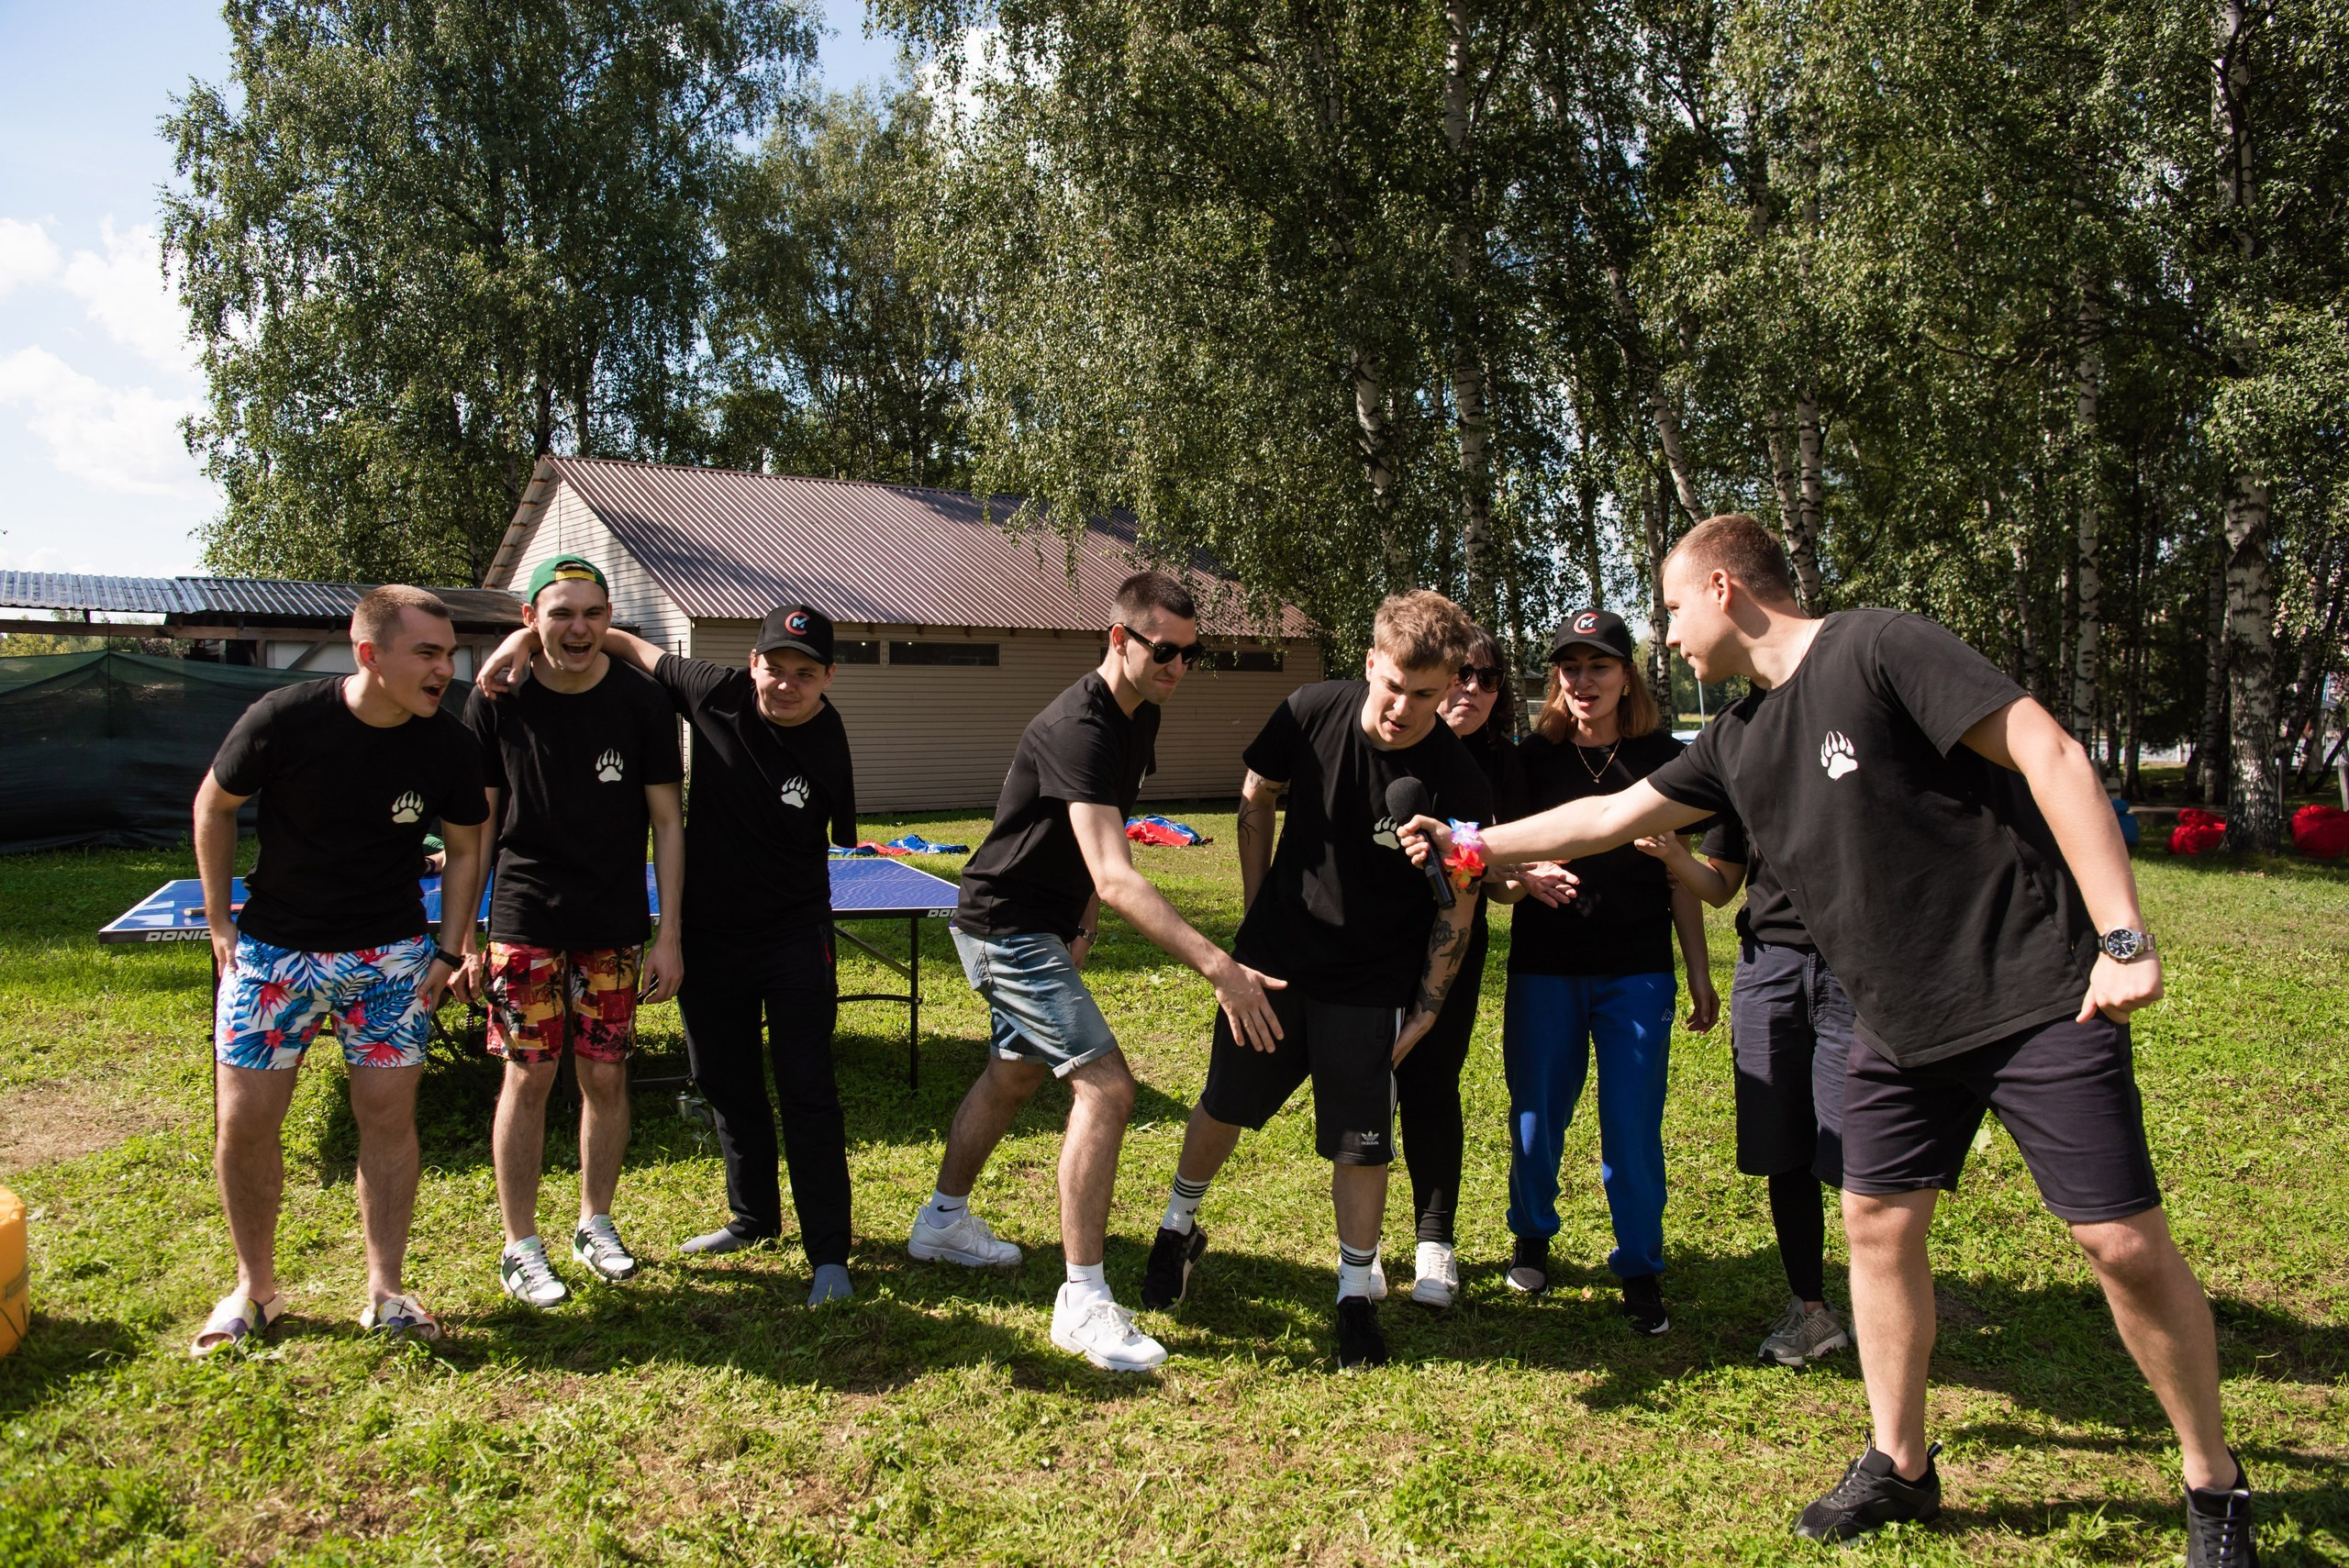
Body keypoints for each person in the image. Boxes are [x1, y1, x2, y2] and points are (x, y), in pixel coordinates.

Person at [1397, 515, 2252, 1564]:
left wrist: (2121, 933)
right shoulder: (1739, 736)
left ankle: (2213, 1480)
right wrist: (1475, 841)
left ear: (1723, 588)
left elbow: (2048, 747)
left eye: (1669, 610)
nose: (1664, 637)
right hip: (1896, 1016)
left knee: (2117, 1240)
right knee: (1877, 1230)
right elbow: (1607, 817)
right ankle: (1900, 1461)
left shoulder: (1881, 646)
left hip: (2033, 989)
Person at [908, 571, 1288, 1373]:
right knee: (1108, 1087)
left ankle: (942, 1221)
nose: (1178, 667)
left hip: (1040, 926)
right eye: (1164, 650)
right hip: (1003, 928)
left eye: (1192, 654)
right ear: (1119, 639)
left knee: (1013, 1076)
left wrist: (1077, 922)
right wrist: (1221, 967)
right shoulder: (1079, 725)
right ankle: (1082, 1299)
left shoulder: (1138, 717)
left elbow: (1092, 850)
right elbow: (1117, 875)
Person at [1140, 590, 1491, 1371]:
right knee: (1224, 1104)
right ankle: (1176, 1228)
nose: (1403, 707)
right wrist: (1256, 904)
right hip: (1276, 968)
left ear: (1450, 688)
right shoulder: (1307, 710)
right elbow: (1254, 795)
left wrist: (1427, 1011)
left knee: (1361, 1147)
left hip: (1372, 985)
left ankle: (1353, 1294)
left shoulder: (1456, 779)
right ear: (1370, 663)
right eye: (1393, 684)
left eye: (1426, 694)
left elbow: (1460, 907)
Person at [479, 600, 860, 1307]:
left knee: (808, 1090)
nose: (786, 684)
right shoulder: (712, 690)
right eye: (774, 667)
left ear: (828, 677)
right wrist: (521, 642)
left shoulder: (830, 742)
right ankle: (752, 1217)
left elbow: (836, 842)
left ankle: (828, 1252)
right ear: (754, 664)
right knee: (724, 1080)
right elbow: (616, 640)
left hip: (793, 938)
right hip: (709, 938)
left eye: (805, 673)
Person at [191, 585, 489, 1351]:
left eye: (448, 653)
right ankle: (254, 1289)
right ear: (370, 653)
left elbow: (466, 849)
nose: (443, 668)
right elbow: (213, 805)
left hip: (388, 959)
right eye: (426, 652)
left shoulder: (449, 745)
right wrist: (222, 921)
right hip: (274, 953)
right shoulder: (285, 719)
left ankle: (386, 1290)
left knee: (387, 1120)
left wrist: (449, 948)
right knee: (245, 1121)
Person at [461, 555, 685, 1309]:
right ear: (531, 620)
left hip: (615, 920)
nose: (577, 627)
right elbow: (478, 826)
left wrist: (669, 931)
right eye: (560, 613)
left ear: (610, 617)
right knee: (528, 1075)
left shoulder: (642, 702)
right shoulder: (496, 699)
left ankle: (596, 1221)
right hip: (524, 914)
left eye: (592, 612)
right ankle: (520, 1244)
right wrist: (462, 935)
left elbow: (666, 822)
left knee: (606, 1073)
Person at [1497, 609, 1717, 1335]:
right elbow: (1497, 859)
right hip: (1545, 967)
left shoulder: (1666, 756)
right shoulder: (1533, 756)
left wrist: (1700, 973)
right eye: (1571, 666)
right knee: (1537, 1117)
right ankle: (1532, 1237)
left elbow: (1684, 879)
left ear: (1628, 674)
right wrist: (1525, 871)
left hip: (1637, 972)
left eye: (1599, 666)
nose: (1583, 680)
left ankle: (1641, 1268)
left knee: (1631, 1126)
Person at [1641, 815, 1854, 1366]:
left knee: (1864, 1149)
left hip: (1862, 963)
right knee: (1784, 1147)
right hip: (1771, 966)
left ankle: (1889, 1301)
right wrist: (1676, 857)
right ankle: (1812, 1310)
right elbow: (1720, 887)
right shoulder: (1751, 760)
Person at [1393, 626, 1563, 1308]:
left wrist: (1520, 877)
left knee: (1433, 1083)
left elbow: (1497, 886)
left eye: (1488, 679)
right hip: (1372, 946)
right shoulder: (1390, 740)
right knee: (1367, 1085)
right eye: (1460, 674)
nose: (1472, 689)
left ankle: (1435, 1244)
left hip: (1454, 951)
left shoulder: (1503, 766)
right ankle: (1363, 1247)